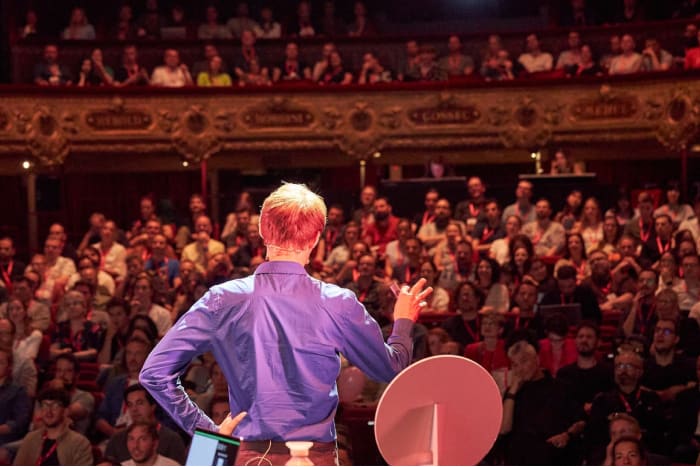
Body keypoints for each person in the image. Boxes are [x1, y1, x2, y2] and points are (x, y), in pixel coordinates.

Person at [140, 183, 432, 465]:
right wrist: (403, 320)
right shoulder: (337, 302)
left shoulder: (222, 299)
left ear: (262, 230)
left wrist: (207, 431)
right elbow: (391, 367)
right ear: (316, 237)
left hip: (244, 455)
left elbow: (154, 373)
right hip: (313, 458)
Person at [13, 388, 93, 465]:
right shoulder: (30, 439)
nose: (49, 411)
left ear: (65, 411)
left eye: (55, 406)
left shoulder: (80, 443)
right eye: (45, 405)